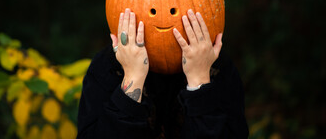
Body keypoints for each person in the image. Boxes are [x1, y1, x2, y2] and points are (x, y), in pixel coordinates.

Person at [77, 8, 249, 139]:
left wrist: (199, 81)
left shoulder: (217, 68)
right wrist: (133, 79)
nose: (165, 13)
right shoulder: (108, 67)